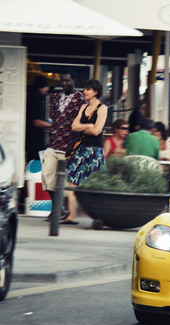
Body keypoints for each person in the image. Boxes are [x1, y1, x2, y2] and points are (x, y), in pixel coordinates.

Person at [41, 70, 86, 221]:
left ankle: (62, 211)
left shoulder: (81, 98)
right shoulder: (57, 97)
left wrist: (74, 144)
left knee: (68, 183)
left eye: (67, 80)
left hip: (69, 145)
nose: (64, 83)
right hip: (53, 144)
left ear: (74, 80)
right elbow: (53, 119)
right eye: (62, 81)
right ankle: (57, 209)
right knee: (47, 178)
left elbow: (82, 123)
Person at [65, 79, 108, 225]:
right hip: (80, 149)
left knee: (98, 184)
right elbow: (73, 126)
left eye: (87, 89)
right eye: (84, 89)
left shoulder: (102, 108)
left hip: (95, 151)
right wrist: (89, 124)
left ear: (95, 91)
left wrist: (84, 126)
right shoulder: (83, 107)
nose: (84, 92)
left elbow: (97, 131)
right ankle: (71, 215)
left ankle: (102, 216)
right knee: (72, 182)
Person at [25, 75, 51, 163]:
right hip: (35, 140)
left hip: (30, 139)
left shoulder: (32, 96)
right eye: (46, 86)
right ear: (41, 86)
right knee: (36, 163)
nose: (47, 89)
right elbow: (36, 122)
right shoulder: (36, 99)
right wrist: (52, 125)